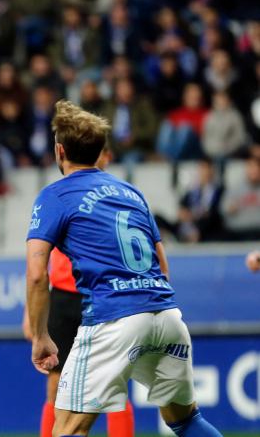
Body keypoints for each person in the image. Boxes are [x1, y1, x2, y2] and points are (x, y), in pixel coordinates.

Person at [25, 100, 223, 437]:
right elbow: (162, 264)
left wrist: (41, 336)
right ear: (102, 150)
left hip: (111, 317)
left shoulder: (54, 195)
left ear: (59, 151)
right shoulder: (132, 193)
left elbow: (36, 273)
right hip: (165, 314)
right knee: (187, 421)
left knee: (69, 429)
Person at [22, 146, 135, 437]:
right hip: (62, 296)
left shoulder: (112, 195)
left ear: (107, 156)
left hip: (100, 294)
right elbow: (40, 258)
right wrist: (32, 313)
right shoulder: (60, 194)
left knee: (114, 384)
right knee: (55, 384)